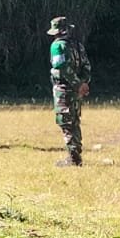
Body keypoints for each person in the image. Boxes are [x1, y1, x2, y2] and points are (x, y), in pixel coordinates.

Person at [47, 17, 92, 167]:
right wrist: (83, 83)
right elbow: (86, 66)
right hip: (76, 90)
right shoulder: (78, 46)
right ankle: (76, 154)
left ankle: (73, 157)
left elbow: (62, 67)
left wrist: (78, 84)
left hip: (64, 89)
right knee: (74, 120)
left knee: (65, 121)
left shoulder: (57, 46)